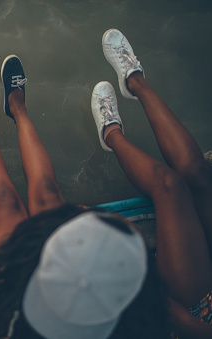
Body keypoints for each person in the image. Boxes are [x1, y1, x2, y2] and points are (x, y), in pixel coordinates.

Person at [0, 54, 168, 337]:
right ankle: (17, 108)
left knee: (3, 201)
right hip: (72, 281)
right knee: (47, 193)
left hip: (17, 290)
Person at [91, 29, 212, 338]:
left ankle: (111, 135)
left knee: (170, 185)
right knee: (197, 173)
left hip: (201, 317)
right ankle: (135, 81)